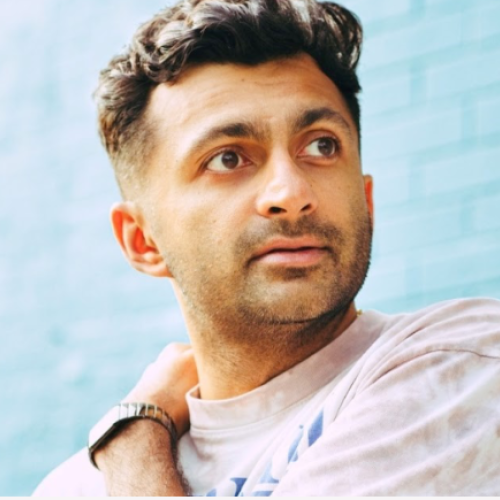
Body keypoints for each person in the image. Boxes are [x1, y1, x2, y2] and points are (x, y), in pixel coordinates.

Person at [34, 0, 500, 496]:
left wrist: (136, 436)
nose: (291, 193)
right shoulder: (71, 487)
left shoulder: (463, 363)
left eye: (321, 146)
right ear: (142, 240)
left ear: (365, 200)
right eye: (228, 158)